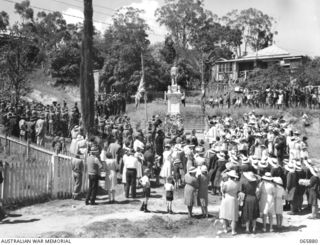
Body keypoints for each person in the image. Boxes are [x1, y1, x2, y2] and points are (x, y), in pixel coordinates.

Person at [219, 170, 240, 235]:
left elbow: (223, 191)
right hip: (233, 199)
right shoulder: (237, 183)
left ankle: (225, 229)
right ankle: (233, 230)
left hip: (226, 198)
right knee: (233, 216)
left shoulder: (225, 183)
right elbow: (238, 191)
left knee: (225, 214)